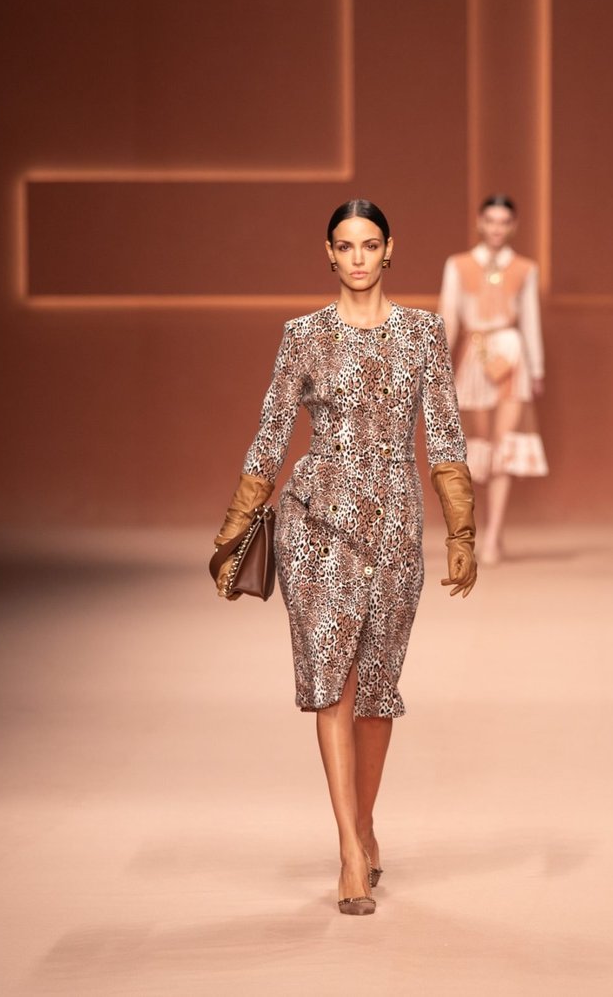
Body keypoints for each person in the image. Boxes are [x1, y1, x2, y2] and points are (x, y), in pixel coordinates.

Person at [212, 199, 479, 917]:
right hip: (316, 522)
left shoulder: (423, 333)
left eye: (368, 244)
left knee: (376, 689)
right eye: (344, 245)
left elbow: (445, 434)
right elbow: (272, 431)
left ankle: (363, 822)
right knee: (332, 681)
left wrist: (461, 531)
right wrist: (234, 530)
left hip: (395, 524)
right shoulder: (302, 335)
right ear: (328, 254)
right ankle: (349, 853)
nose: (357, 257)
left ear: (389, 249)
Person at [437, 194, 547, 565]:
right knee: (476, 448)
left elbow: (530, 320)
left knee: (503, 445)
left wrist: (536, 370)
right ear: (480, 223)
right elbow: (448, 317)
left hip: (512, 355)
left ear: (513, 226)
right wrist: (438, 366)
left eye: (504, 222)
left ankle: (493, 536)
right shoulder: (458, 265)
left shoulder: (525, 268)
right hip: (475, 356)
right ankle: (479, 532)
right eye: (491, 221)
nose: (497, 228)